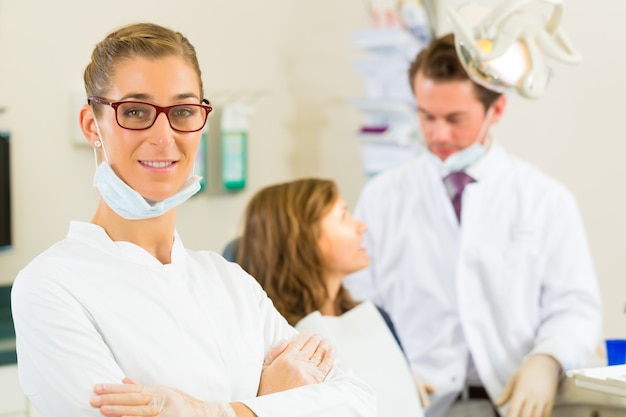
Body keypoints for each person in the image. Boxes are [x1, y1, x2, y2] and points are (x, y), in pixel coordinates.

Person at [10, 22, 375, 417]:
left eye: (183, 111)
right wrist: (270, 400)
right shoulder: (51, 287)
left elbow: (359, 402)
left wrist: (216, 412)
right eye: (135, 111)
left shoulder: (230, 283)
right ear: (90, 125)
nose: (164, 135)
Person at [343, 33, 602, 417]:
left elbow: (576, 307)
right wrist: (383, 362)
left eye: (454, 119)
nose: (438, 135)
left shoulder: (546, 199)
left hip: (518, 400)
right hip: (417, 403)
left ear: (496, 110)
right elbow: (355, 303)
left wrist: (546, 360)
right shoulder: (382, 196)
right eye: (426, 116)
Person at [235, 178, 423, 417]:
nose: (361, 226)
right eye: (344, 216)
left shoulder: (376, 318)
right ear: (303, 237)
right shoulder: (274, 336)